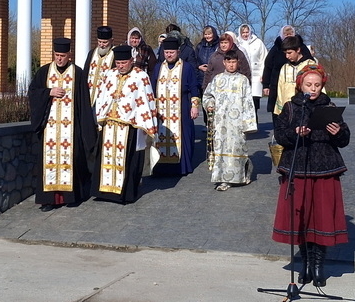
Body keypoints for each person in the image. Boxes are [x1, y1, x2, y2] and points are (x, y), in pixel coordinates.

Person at [271, 64, 350, 287]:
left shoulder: (330, 107)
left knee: (321, 218)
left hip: (325, 167)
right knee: (302, 216)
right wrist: (295, 133)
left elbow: (344, 139)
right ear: (300, 86)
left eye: (317, 85)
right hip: (298, 167)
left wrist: (338, 132)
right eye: (309, 84)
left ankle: (318, 265)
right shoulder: (290, 107)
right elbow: (280, 135)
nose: (313, 89)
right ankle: (305, 263)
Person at [28, 37, 98, 212]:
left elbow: (84, 102)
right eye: (57, 55)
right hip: (49, 130)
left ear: (69, 55)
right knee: (49, 162)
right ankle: (48, 200)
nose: (59, 59)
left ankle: (71, 197)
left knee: (73, 161)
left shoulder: (78, 73)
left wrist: (86, 130)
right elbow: (33, 93)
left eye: (63, 55)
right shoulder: (44, 72)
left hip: (71, 129)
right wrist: (48, 92)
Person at [92, 44, 158, 204]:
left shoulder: (141, 76)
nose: (120, 66)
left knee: (128, 160)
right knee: (106, 157)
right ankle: (105, 192)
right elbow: (101, 96)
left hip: (130, 126)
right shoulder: (109, 74)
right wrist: (101, 115)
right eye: (118, 63)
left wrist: (145, 124)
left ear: (131, 61)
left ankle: (124, 194)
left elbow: (147, 100)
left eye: (123, 63)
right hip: (109, 123)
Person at [203, 50, 258, 190]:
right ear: (224, 62)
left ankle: (242, 175)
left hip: (237, 123)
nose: (231, 65)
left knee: (237, 148)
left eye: (234, 62)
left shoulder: (243, 80)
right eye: (229, 62)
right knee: (220, 149)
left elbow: (248, 102)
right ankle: (223, 179)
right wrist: (210, 104)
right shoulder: (217, 79)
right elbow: (208, 95)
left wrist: (248, 124)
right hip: (220, 122)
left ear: (238, 63)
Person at [151, 36, 200, 176]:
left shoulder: (187, 67)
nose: (169, 55)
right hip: (161, 111)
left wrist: (194, 106)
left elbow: (194, 87)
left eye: (172, 52)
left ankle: (181, 168)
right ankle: (160, 168)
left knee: (184, 135)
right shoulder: (158, 67)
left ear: (178, 52)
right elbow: (152, 88)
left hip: (182, 107)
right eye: (166, 52)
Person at [262, 25, 313, 114]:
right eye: (286, 34)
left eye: (290, 34)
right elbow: (268, 66)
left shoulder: (303, 51)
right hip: (277, 82)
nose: (287, 56)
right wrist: (266, 84)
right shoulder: (276, 48)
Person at [274, 36, 315, 113]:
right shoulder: (285, 67)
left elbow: (318, 87)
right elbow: (280, 89)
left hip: (305, 109)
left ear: (298, 50)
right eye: (285, 53)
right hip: (287, 110)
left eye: (289, 53)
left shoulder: (310, 65)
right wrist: (280, 111)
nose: (287, 56)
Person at [237, 24, 268, 111]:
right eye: (243, 32)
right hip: (242, 75)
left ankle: (255, 118)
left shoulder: (258, 42)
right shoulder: (237, 43)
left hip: (256, 76)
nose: (245, 34)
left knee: (254, 103)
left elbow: (264, 59)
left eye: (247, 32)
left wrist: (263, 74)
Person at [83, 26, 114, 105]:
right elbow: (85, 73)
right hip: (89, 95)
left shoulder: (114, 54)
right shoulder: (92, 53)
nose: (101, 45)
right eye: (99, 42)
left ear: (111, 41)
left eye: (105, 42)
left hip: (106, 97)